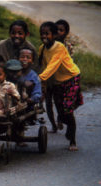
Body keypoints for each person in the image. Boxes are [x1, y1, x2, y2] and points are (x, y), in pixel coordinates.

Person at [38, 21, 83, 151]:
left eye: (47, 34)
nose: (44, 36)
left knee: (67, 110)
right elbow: (42, 66)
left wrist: (39, 78)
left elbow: (53, 65)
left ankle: (72, 140)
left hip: (71, 78)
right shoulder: (42, 48)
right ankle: (67, 124)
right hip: (57, 81)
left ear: (54, 34)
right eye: (42, 34)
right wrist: (42, 85)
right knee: (60, 111)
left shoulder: (60, 47)